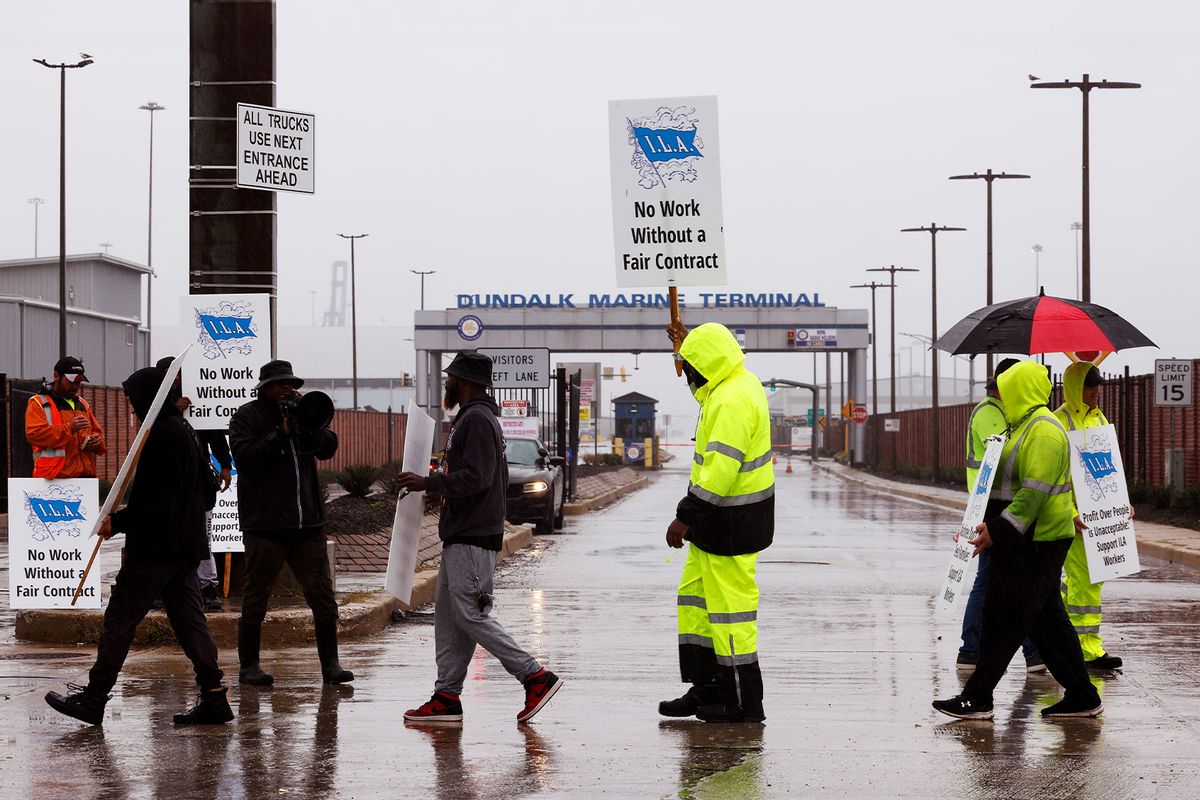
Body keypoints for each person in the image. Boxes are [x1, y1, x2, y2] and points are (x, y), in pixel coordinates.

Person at [44, 366, 233, 726]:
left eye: (133, 401)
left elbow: (154, 502)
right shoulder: (186, 430)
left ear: (149, 397)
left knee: (120, 619)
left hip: (155, 550)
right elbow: (204, 492)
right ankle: (214, 697)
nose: (131, 409)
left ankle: (95, 698)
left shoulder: (161, 435)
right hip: (185, 547)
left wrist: (120, 522)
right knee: (191, 623)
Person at [396, 351, 562, 724]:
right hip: (465, 531)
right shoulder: (472, 419)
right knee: (449, 617)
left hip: (473, 534)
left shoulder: (477, 420)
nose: (447, 384)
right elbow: (490, 478)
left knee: (470, 614)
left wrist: (431, 483)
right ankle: (446, 697)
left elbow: (479, 477)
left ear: (464, 381)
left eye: (450, 379)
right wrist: (443, 488)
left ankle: (534, 675)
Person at [933, 360, 1102, 720]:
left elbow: (1033, 494)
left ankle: (978, 697)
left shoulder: (1042, 431)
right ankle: (1084, 696)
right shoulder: (1021, 426)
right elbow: (1001, 485)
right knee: (1048, 624)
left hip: (1037, 540)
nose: (999, 397)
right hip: (1026, 538)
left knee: (1004, 616)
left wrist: (999, 529)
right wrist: (979, 524)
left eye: (1005, 390)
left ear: (1019, 390)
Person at [659, 321, 774, 724]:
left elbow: (720, 474)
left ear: (708, 364)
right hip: (719, 523)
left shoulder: (731, 401)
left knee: (730, 614)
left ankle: (742, 701)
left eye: (691, 367)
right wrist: (687, 344)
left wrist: (683, 518)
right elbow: (704, 380)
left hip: (730, 523)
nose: (689, 375)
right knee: (697, 602)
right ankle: (707, 688)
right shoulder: (731, 387)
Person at [229, 360, 350, 686]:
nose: (286, 389)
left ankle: (331, 666)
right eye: (280, 384)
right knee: (256, 597)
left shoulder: (303, 416)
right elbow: (246, 458)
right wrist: (279, 434)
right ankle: (249, 667)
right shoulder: (247, 417)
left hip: (306, 526)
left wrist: (307, 424)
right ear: (266, 388)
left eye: (290, 383)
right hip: (265, 527)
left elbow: (328, 446)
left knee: (322, 596)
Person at [956, 358, 1044, 674]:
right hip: (993, 507)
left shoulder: (1000, 413)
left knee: (1007, 579)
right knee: (998, 579)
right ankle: (974, 648)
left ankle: (1027, 651)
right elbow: (1004, 456)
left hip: (995, 505)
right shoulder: (992, 414)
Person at [1055, 361, 1124, 671]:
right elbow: (1055, 474)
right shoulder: (1061, 422)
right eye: (1089, 386)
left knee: (1086, 581)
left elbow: (1109, 467)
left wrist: (1122, 503)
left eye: (1098, 386)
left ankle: (1068, 640)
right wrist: (1068, 512)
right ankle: (1086, 650)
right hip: (1074, 517)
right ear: (1074, 388)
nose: (1097, 391)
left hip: (1099, 516)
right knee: (1085, 580)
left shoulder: (1098, 419)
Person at [156, 356, 232, 612]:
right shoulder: (155, 403)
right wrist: (174, 410)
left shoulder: (198, 398)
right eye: (171, 373)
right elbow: (151, 435)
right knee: (167, 536)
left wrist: (224, 465)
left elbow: (214, 432)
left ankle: (208, 585)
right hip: (167, 481)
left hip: (198, 482)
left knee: (202, 535)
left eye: (178, 373)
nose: (176, 378)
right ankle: (165, 586)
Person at [25, 356, 106, 479]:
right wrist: (70, 428)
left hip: (84, 478)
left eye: (78, 382)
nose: (75, 386)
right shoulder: (39, 402)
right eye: (71, 381)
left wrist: (97, 442)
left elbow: (97, 433)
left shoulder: (82, 403)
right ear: (56, 376)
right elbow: (34, 434)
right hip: (53, 479)